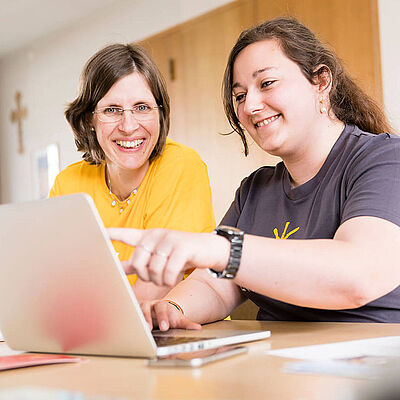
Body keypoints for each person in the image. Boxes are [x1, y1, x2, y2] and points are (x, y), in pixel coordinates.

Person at [108, 17, 400, 330]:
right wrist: (172, 308)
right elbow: (215, 284)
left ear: (321, 81)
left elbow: (357, 276)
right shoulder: (256, 189)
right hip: (278, 366)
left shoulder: (384, 160)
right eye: (240, 95)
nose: (250, 106)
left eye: (266, 83)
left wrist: (223, 250)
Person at [49, 43, 215, 301]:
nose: (128, 126)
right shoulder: (68, 183)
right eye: (112, 110)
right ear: (90, 119)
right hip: (97, 331)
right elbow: (56, 280)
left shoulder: (180, 164)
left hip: (179, 330)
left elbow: (156, 288)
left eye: (142, 107)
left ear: (160, 113)